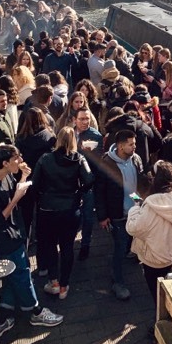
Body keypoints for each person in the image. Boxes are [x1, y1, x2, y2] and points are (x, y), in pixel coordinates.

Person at [0, 144, 63, 333]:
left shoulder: (7, 176)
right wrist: (16, 198)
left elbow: (14, 193)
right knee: (22, 274)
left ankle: (3, 316)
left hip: (14, 233)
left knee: (12, 276)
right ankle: (36, 311)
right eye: (16, 158)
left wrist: (24, 178)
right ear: (5, 163)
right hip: (3, 239)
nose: (20, 161)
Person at [32, 127, 93, 301]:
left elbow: (35, 184)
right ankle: (64, 285)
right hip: (70, 209)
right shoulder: (79, 159)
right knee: (67, 247)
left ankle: (54, 281)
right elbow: (89, 179)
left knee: (50, 246)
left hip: (48, 209)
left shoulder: (45, 159)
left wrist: (42, 198)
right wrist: (79, 193)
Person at [126, 161, 172, 300]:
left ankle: (161, 314)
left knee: (157, 292)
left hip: (155, 256)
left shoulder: (151, 205)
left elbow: (133, 228)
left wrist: (136, 208)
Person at [94, 129, 143, 301]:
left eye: (134, 143)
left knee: (129, 243)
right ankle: (118, 282)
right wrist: (102, 216)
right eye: (131, 144)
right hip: (117, 215)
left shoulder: (135, 160)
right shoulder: (107, 164)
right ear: (121, 146)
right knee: (119, 248)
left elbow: (134, 186)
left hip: (135, 212)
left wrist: (139, 201)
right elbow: (99, 192)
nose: (134, 147)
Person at [15, 107, 56, 245]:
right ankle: (41, 236)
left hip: (26, 177)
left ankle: (26, 238)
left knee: (26, 212)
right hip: (44, 179)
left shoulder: (20, 139)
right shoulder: (50, 137)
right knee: (42, 210)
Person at [73, 106, 104, 260]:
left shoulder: (95, 135)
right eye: (82, 119)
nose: (85, 122)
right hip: (71, 182)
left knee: (88, 215)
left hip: (88, 182)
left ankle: (85, 245)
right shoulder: (68, 133)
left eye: (87, 118)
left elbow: (98, 161)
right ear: (74, 120)